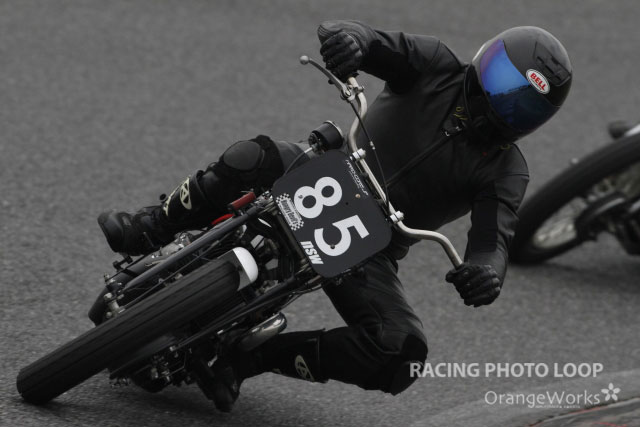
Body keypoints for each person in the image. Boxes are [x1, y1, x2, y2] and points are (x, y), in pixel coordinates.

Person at [97, 21, 572, 411]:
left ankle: (249, 357)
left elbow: (493, 240)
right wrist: (350, 41)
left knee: (400, 352)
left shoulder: (506, 169)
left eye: (523, 102)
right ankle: (149, 227)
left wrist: (486, 273)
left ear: (537, 120)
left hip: (373, 245)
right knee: (251, 156)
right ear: (485, 59)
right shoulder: (435, 63)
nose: (504, 100)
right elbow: (371, 40)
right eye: (504, 82)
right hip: (327, 170)